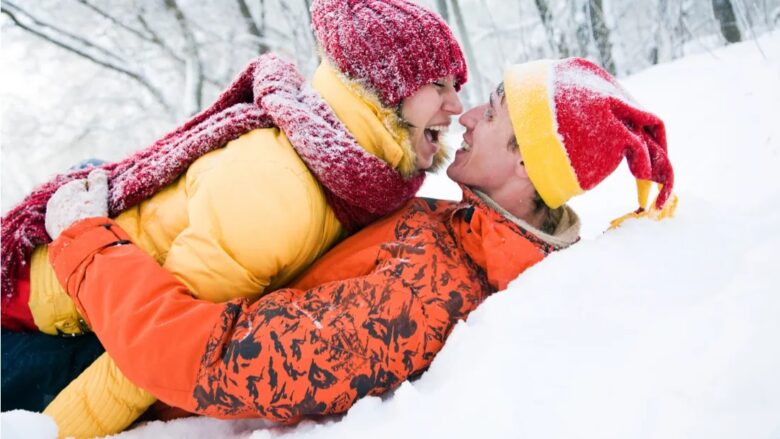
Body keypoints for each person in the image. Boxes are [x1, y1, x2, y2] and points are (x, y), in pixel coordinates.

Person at [45, 58, 677, 426]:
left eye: (493, 111)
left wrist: (83, 242)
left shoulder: (425, 299)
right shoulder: (456, 227)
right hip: (120, 302)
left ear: (525, 166)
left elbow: (203, 358)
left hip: (106, 365)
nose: (469, 115)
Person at [0, 0, 466, 436]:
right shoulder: (280, 189)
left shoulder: (348, 179)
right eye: (438, 85)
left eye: (455, 87)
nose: (456, 106)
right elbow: (151, 350)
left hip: (91, 299)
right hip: (42, 310)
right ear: (381, 88)